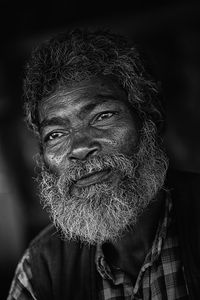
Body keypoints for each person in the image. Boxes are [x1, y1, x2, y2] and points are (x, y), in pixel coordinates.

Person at [7, 28, 200, 300]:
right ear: (43, 158)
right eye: (56, 135)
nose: (80, 148)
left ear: (149, 120)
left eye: (102, 116)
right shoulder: (41, 271)